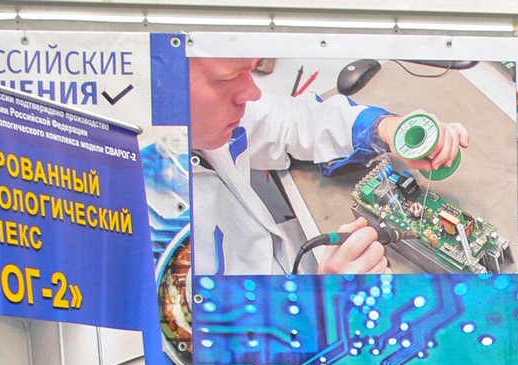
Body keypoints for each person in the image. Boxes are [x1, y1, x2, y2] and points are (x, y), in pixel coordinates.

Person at [189, 57, 470, 276]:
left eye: (249, 71)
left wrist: (385, 129)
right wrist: (322, 300)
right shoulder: (167, 241)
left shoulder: (199, 118)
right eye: (226, 78)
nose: (252, 92)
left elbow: (284, 122)